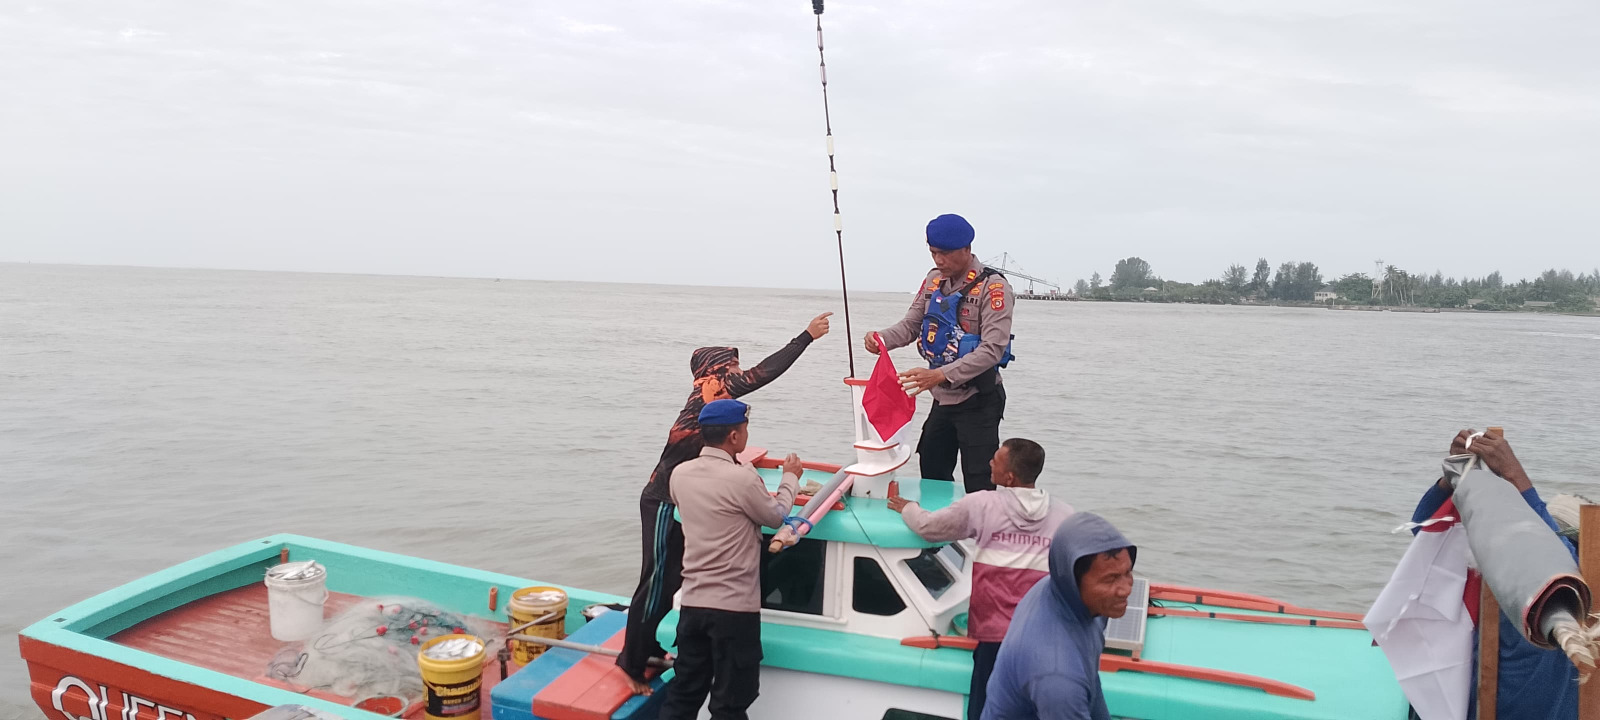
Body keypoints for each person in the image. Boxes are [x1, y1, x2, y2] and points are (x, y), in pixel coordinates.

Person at [617, 312, 831, 693]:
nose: (737, 371)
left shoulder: (709, 397)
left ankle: (647, 647)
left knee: (672, 577)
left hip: (682, 497)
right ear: (715, 370)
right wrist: (806, 336)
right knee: (655, 581)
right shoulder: (713, 388)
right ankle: (630, 664)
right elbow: (764, 373)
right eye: (732, 365)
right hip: (663, 500)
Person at [886, 438, 1072, 720]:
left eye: (996, 460)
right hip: (1042, 636)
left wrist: (908, 508)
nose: (989, 462)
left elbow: (928, 527)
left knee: (986, 709)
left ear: (1009, 478)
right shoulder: (1064, 516)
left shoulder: (981, 505)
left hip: (994, 636)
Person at [1410, 429, 1580, 720]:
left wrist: (1514, 475)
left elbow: (1559, 563)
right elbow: (1427, 534)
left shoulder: (1575, 601)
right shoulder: (1500, 572)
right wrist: (1454, 476)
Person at [661, 399, 802, 720]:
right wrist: (789, 479)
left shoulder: (680, 475)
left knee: (684, 693)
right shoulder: (742, 480)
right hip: (734, 610)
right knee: (731, 702)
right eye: (745, 430)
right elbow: (776, 515)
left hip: (693, 605)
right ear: (735, 436)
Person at [866, 213, 1014, 494]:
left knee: (980, 479)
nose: (938, 260)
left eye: (945, 253)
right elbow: (911, 325)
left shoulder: (993, 287)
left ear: (966, 249)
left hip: (978, 399)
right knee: (932, 466)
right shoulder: (933, 280)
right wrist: (881, 338)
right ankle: (939, 521)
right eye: (933, 253)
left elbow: (992, 349)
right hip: (943, 399)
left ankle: (979, 522)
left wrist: (939, 375)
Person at [983, 513, 1136, 720]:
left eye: (1128, 573)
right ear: (1073, 580)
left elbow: (1091, 679)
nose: (1126, 589)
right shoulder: (1058, 677)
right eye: (1110, 580)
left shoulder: (1066, 594)